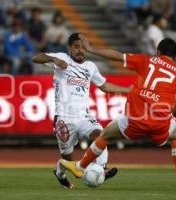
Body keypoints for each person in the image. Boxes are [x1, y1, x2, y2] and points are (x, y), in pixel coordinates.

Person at [60, 34, 176, 191]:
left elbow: (116, 56)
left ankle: (80, 167)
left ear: (157, 52)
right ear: (174, 56)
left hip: (135, 119)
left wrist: (91, 49)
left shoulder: (146, 60)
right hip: (160, 124)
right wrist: (175, 112)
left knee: (106, 134)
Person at [32, 33, 131, 189]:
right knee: (67, 158)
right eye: (76, 47)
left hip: (85, 116)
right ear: (69, 48)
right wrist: (54, 60)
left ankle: (102, 169)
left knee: (100, 136)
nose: (80, 50)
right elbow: (36, 58)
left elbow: (104, 86)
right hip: (64, 118)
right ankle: (60, 173)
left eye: (83, 47)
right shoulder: (62, 57)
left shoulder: (90, 67)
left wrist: (126, 90)